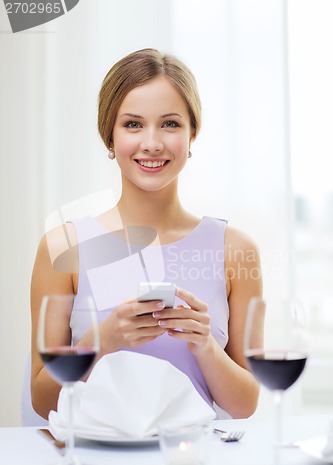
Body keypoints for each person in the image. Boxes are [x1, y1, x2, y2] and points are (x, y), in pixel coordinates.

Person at [30, 48, 262, 421]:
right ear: (110, 136)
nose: (152, 143)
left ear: (192, 134)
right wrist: (100, 342)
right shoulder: (63, 247)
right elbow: (42, 401)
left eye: (170, 124)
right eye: (133, 124)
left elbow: (245, 404)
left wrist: (205, 346)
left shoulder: (234, 249)